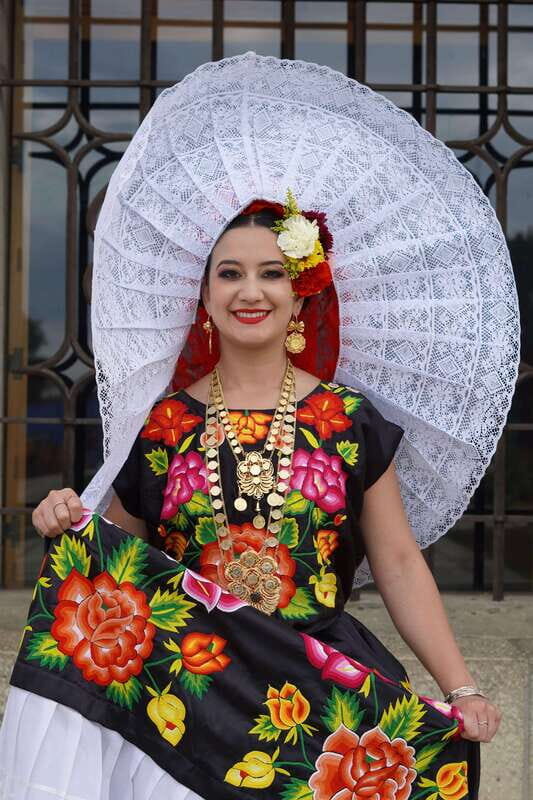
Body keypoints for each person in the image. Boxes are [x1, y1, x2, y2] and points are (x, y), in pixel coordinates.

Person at [1, 53, 519, 800]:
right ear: (202, 293)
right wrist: (65, 520)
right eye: (229, 272)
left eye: (271, 272)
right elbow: (111, 566)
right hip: (192, 706)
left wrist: (461, 686)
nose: (250, 291)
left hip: (316, 702)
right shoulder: (166, 425)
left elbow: (399, 564)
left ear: (301, 295)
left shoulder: (346, 421)